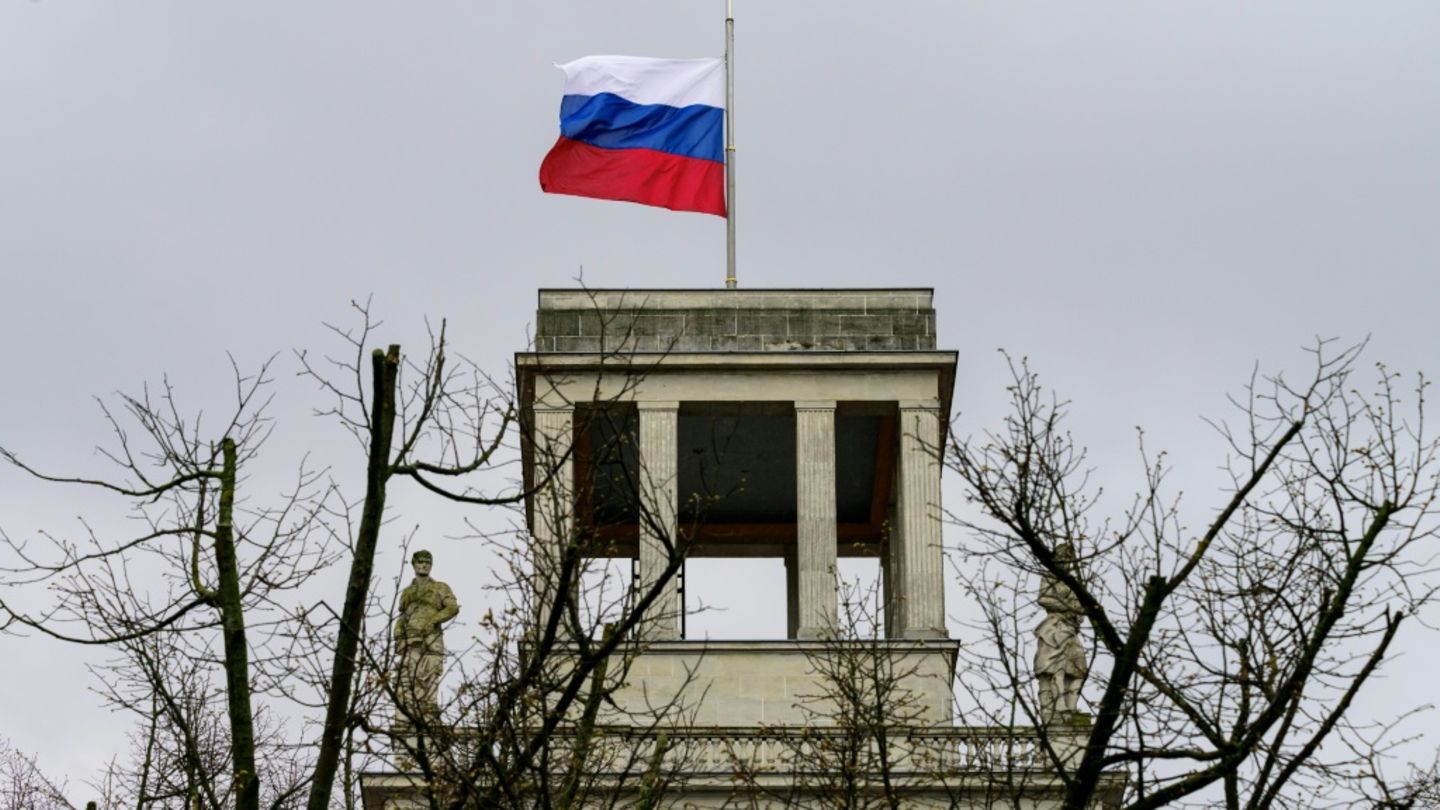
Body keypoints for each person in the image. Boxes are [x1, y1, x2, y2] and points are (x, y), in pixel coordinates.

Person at [394, 550, 459, 720]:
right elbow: (403, 616)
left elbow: (452, 608)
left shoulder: (440, 587)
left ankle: (429, 710)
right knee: (409, 673)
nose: (423, 565)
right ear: (413, 564)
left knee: (431, 672)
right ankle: (409, 709)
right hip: (411, 637)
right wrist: (398, 629)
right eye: (420, 562)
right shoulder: (407, 591)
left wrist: (432, 621)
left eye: (427, 562)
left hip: (431, 637)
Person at [1034, 543, 1087, 724]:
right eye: (1063, 559)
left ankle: (1071, 707)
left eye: (1069, 560)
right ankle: (1060, 707)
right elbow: (1043, 598)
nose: (1066, 563)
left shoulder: (1073, 582)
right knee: (1057, 668)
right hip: (1054, 628)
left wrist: (1078, 612)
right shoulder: (1050, 577)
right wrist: (1066, 607)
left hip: (1071, 629)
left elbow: (1080, 607)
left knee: (1079, 671)